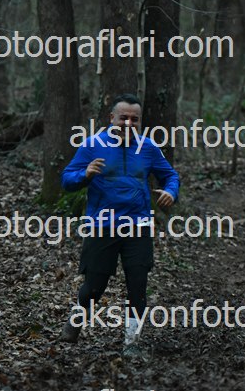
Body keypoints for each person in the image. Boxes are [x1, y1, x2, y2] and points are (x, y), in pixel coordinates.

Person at [58, 93, 180, 354]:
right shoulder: (93, 145)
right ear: (111, 117)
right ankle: (77, 318)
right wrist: (85, 174)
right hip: (102, 225)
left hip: (138, 225)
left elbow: (170, 175)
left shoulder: (148, 147)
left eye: (134, 119)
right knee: (95, 286)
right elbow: (66, 180)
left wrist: (171, 192)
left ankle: (131, 343)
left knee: (138, 284)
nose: (128, 123)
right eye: (123, 117)